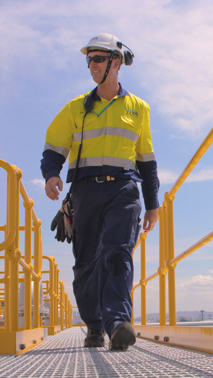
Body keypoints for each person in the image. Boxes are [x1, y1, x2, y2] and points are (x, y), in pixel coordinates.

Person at [41, 33, 159, 351]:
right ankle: (94, 326)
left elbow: (147, 162)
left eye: (97, 59)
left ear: (115, 63)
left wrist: (152, 204)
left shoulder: (138, 108)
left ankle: (118, 322)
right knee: (86, 262)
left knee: (118, 251)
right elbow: (53, 149)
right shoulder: (75, 108)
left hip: (124, 188)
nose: (91, 65)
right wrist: (52, 174)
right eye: (89, 59)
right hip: (85, 191)